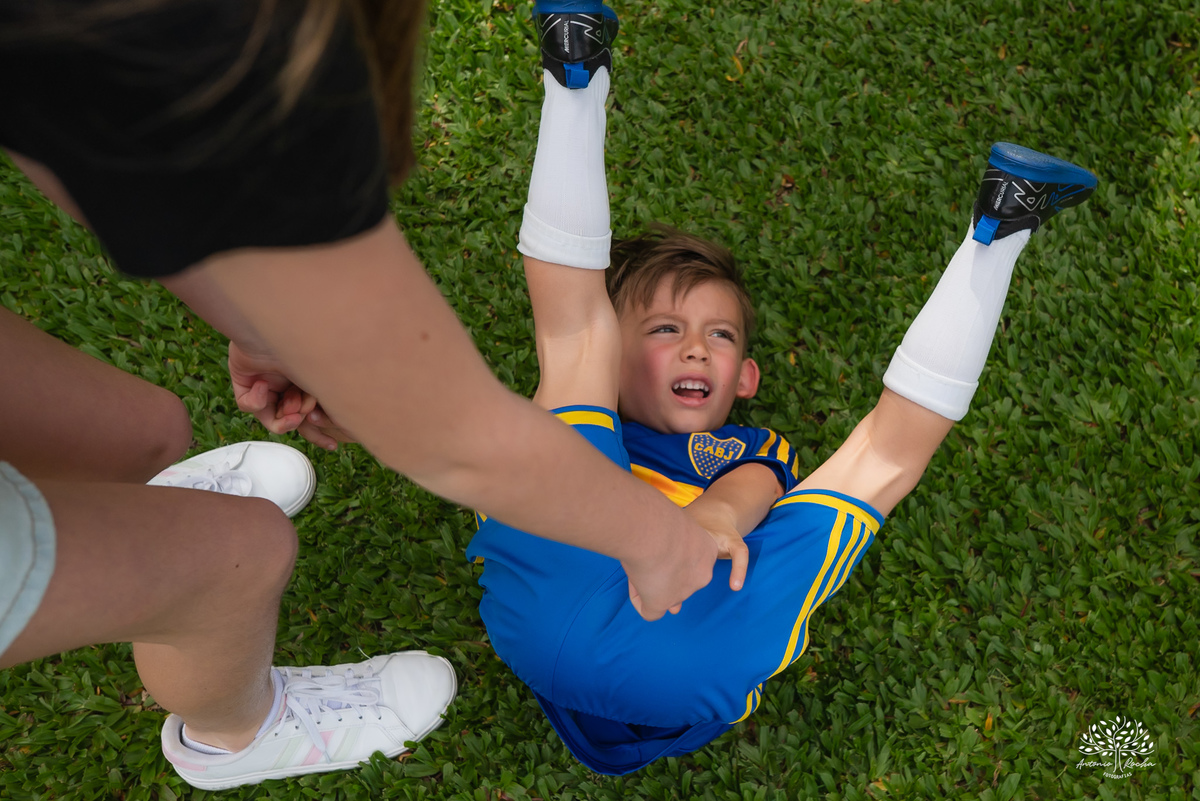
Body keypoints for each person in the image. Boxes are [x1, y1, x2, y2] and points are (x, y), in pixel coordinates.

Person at [0, 0, 723, 790]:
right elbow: (461, 440)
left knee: (139, 433)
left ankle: (135, 509)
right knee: (238, 552)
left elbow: (100, 151)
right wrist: (661, 540)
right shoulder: (222, 53)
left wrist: (267, 323)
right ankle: (231, 732)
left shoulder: (99, 36)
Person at [466, 2, 1098, 774]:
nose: (695, 346)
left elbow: (754, 486)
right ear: (623, 356)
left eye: (720, 337)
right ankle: (1001, 228)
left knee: (573, 345)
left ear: (748, 378)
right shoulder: (593, 414)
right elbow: (581, 329)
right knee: (877, 460)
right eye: (663, 330)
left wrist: (711, 517)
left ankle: (576, 75)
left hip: (626, 610)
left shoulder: (741, 448)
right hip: (629, 614)